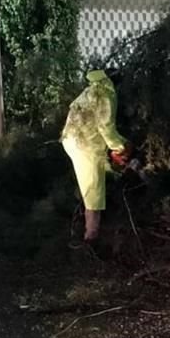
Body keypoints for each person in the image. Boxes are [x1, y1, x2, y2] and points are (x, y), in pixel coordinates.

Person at [61, 69, 130, 246]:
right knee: (94, 192)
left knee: (94, 180)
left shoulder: (91, 90)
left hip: (72, 139)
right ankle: (91, 238)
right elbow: (106, 127)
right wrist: (121, 147)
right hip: (85, 145)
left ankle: (86, 230)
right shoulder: (106, 94)